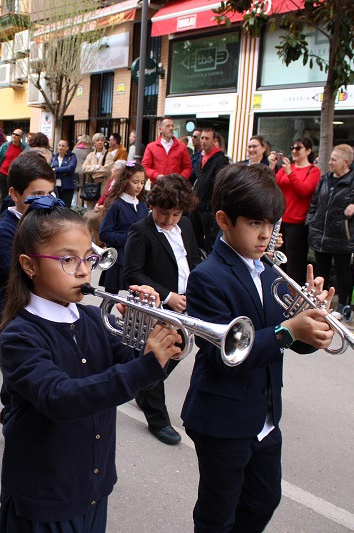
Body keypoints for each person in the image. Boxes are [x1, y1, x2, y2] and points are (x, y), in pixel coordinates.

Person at [0, 196, 182, 531]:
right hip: (45, 496)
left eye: (88, 258)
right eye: (68, 260)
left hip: (93, 486)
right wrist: (145, 364)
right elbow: (60, 397)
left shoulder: (93, 319)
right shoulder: (19, 335)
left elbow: (139, 371)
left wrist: (159, 340)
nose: (83, 270)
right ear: (29, 265)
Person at [182, 163, 334, 532]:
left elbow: (292, 342)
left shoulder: (267, 271)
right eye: (254, 224)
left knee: (264, 499)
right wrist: (287, 331)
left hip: (264, 415)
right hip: (223, 419)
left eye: (272, 224)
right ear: (223, 220)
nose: (266, 234)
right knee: (218, 513)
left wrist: (313, 326)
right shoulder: (207, 277)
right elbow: (226, 358)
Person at [125, 174, 201, 445]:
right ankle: (158, 420)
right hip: (157, 310)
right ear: (152, 205)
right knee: (160, 358)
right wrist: (168, 296)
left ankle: (141, 386)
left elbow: (192, 260)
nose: (169, 220)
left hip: (186, 305)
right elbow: (132, 273)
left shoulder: (187, 226)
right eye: (164, 213)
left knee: (174, 356)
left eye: (176, 214)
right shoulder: (140, 230)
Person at [0, 152, 56, 335]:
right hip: (13, 316)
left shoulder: (46, 221)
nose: (46, 200)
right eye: (37, 194)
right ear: (14, 194)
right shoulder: (3, 231)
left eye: (49, 193)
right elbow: (23, 275)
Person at [306, 144, 354, 312]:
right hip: (321, 233)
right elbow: (314, 203)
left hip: (342, 235)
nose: (330, 162)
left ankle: (343, 305)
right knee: (321, 271)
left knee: (342, 272)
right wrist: (311, 221)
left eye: (333, 159)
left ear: (346, 162)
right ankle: (318, 302)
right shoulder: (325, 179)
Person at [271, 137, 321, 283]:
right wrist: (273, 166)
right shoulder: (288, 167)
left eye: (298, 148)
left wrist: (290, 174)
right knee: (278, 260)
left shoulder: (313, 171)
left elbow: (305, 191)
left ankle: (294, 294)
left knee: (295, 262)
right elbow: (273, 184)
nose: (294, 151)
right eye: (292, 148)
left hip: (297, 223)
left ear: (308, 151)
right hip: (280, 220)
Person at [98, 162, 148, 294]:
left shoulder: (143, 205)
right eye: (135, 182)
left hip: (138, 260)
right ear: (125, 181)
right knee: (110, 298)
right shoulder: (116, 205)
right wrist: (130, 238)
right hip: (119, 259)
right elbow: (104, 233)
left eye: (142, 183)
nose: (139, 186)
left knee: (137, 298)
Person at [190, 126, 229, 254]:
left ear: (214, 140)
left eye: (207, 138)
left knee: (210, 242)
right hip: (197, 206)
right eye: (202, 138)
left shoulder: (220, 159)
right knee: (195, 240)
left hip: (209, 209)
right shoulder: (200, 157)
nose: (203, 141)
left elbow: (221, 184)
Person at [141, 117, 192, 185]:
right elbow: (145, 167)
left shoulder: (182, 147)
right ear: (160, 129)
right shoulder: (151, 147)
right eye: (168, 126)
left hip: (176, 187)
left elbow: (188, 168)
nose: (171, 128)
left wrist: (180, 179)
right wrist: (156, 176)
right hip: (158, 187)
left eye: (172, 126)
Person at [81, 133, 115, 209]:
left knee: (99, 209)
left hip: (103, 185)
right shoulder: (90, 155)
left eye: (102, 140)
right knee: (90, 209)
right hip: (91, 186)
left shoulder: (108, 155)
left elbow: (106, 169)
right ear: (94, 143)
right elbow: (84, 168)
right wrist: (96, 167)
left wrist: (92, 173)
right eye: (97, 140)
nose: (100, 142)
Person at [0, 129, 27, 206]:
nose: (14, 136)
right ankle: (2, 213)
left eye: (16, 135)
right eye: (13, 134)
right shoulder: (5, 146)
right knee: (3, 194)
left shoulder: (24, 147)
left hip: (15, 175)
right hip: (3, 173)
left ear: (21, 137)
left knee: (13, 195)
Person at [51, 139, 77, 208]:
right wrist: (63, 171)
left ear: (67, 148)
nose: (60, 147)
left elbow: (70, 169)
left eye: (63, 146)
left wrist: (55, 169)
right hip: (55, 186)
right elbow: (49, 169)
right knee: (55, 207)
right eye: (59, 145)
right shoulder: (54, 157)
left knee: (65, 207)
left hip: (67, 187)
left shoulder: (71, 157)